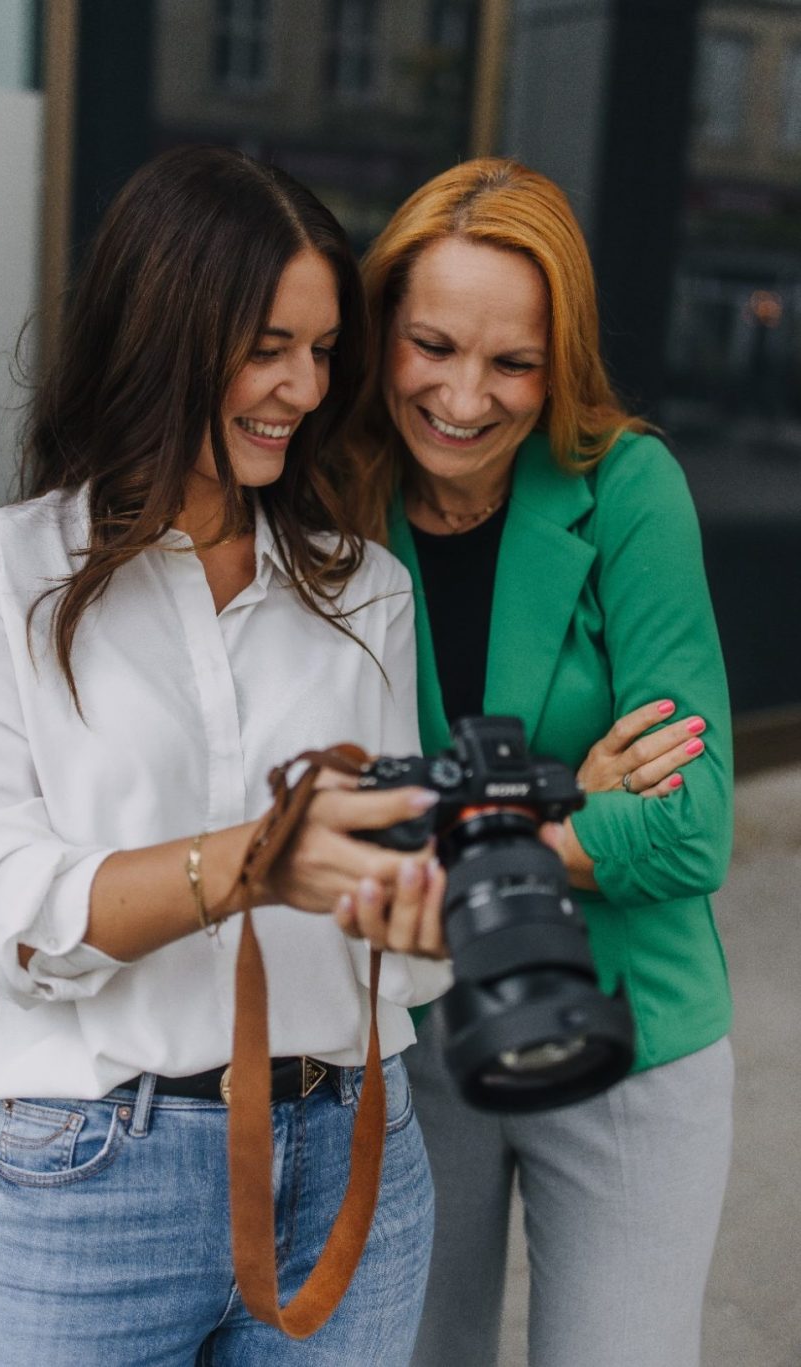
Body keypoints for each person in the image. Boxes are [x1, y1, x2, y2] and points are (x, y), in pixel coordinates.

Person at [0, 145, 453, 1367]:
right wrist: (254, 860)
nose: (303, 389)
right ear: (163, 332)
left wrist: (426, 908)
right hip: (96, 1172)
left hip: (350, 1157)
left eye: (321, 352)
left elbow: (391, 909)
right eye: (268, 345)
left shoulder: (362, 587)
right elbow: (0, 909)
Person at [342, 157, 734, 1367]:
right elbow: (323, 807)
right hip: (412, 1025)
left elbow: (690, 825)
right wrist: (576, 804)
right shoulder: (333, 496)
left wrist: (473, 833)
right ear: (380, 338)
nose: (465, 397)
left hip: (626, 1025)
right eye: (432, 345)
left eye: (511, 362)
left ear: (556, 363)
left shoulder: (625, 487)